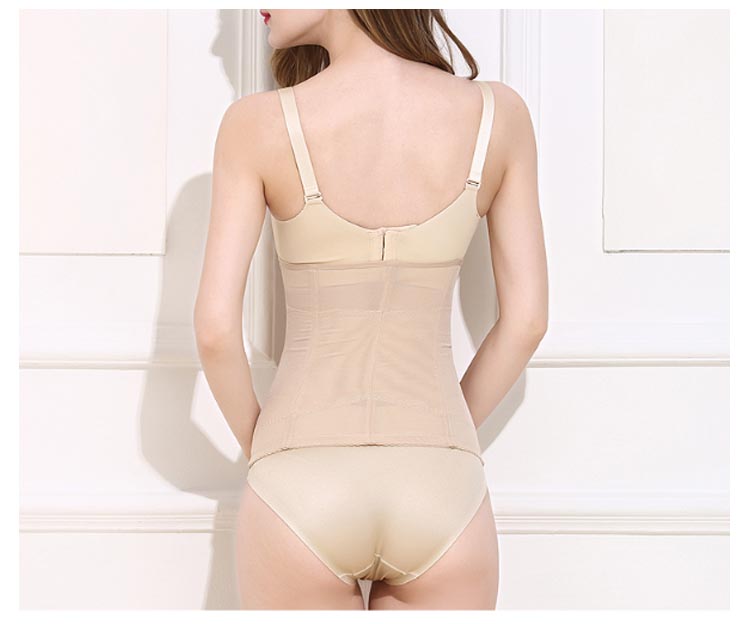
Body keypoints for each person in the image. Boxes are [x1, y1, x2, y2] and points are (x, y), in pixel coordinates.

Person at [194, 9, 548, 610]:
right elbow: (527, 320)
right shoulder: (499, 116)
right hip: (441, 484)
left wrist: (274, 453)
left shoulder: (255, 125)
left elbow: (214, 329)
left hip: (299, 483)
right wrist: (444, 434)